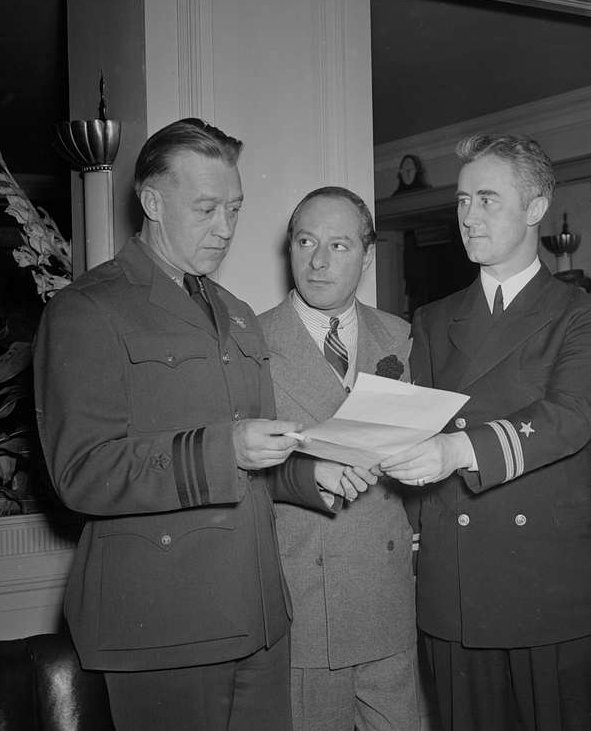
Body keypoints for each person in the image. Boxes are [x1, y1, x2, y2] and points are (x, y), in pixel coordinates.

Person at [33, 118, 353, 731]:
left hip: (258, 614)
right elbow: (81, 472)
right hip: (163, 623)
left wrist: (315, 476)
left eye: (234, 208)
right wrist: (225, 447)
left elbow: (256, 464)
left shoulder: (234, 313)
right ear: (152, 202)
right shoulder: (87, 309)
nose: (226, 229)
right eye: (206, 208)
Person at [380, 133, 591, 730]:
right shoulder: (434, 320)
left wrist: (457, 448)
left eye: (487, 199)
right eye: (462, 201)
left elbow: (572, 415)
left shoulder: (583, 313)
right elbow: (420, 431)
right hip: (456, 578)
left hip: (549, 579)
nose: (467, 217)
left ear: (537, 207)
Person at [258, 187, 418, 730]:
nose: (319, 261)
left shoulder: (400, 336)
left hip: (388, 597)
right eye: (306, 241)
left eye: (339, 245)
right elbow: (236, 469)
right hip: (304, 601)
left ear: (367, 256)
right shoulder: (250, 343)